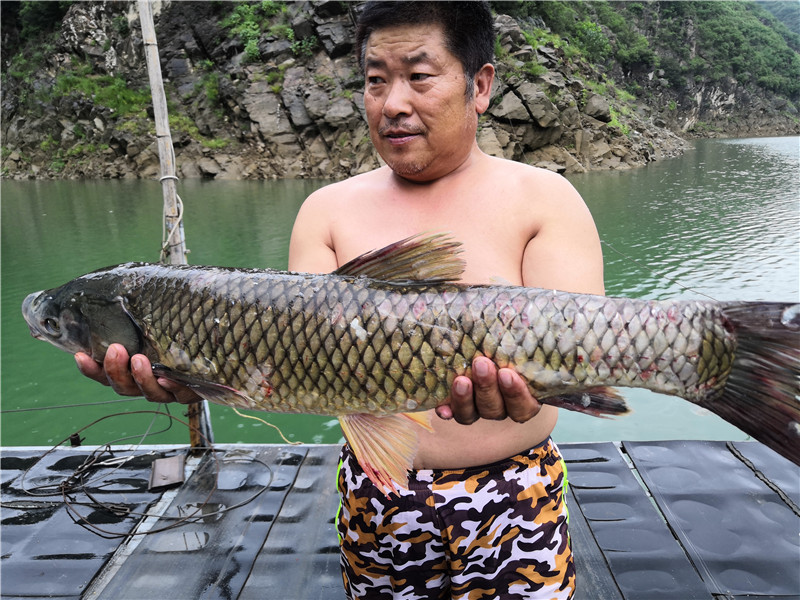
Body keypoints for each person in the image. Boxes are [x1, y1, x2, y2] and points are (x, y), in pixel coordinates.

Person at [76, 2, 604, 598]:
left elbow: (583, 354)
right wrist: (186, 374)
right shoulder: (325, 211)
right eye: (375, 80)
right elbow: (304, 364)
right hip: (375, 499)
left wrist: (536, 390)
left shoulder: (546, 199)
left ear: (479, 84)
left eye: (419, 76)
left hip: (515, 497)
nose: (394, 103)